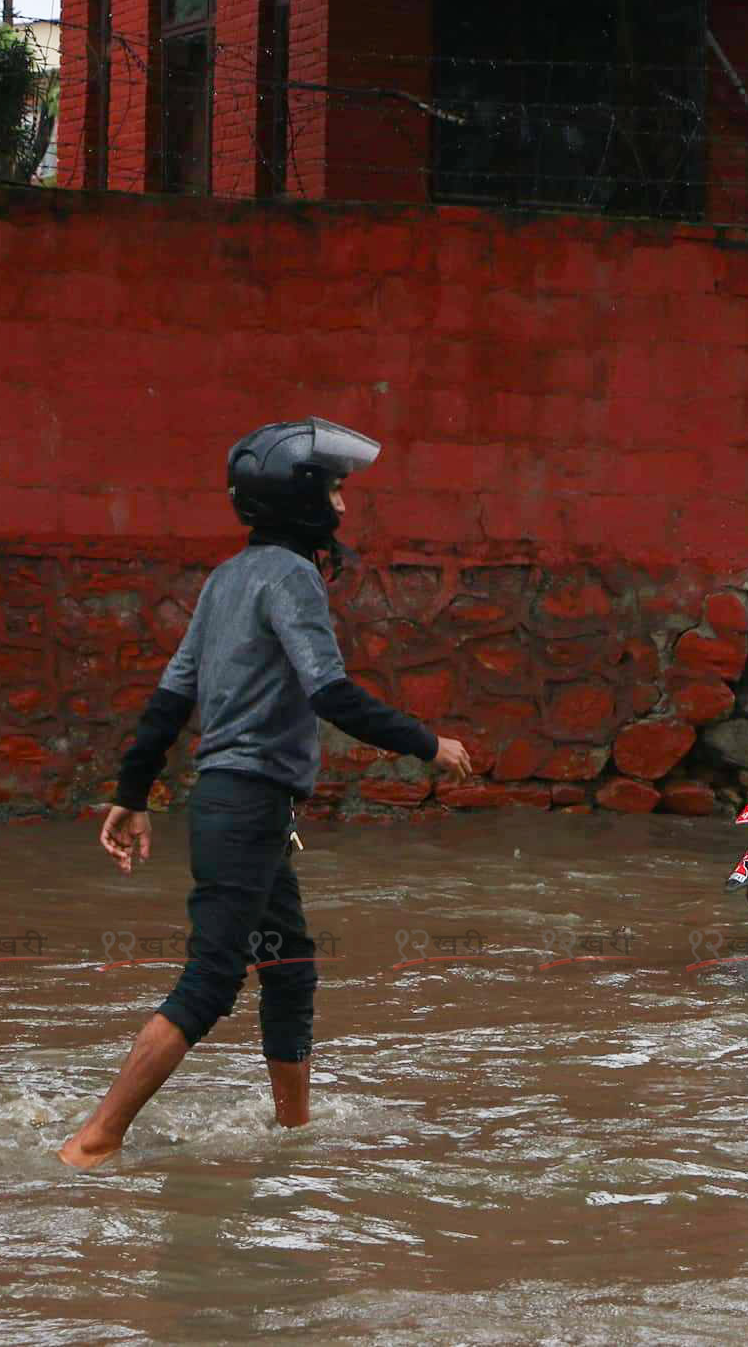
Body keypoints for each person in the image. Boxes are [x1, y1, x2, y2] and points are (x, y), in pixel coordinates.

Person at [58, 418, 471, 1170]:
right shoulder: (290, 576)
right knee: (212, 979)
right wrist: (426, 743)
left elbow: (169, 697)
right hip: (248, 806)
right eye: (336, 490)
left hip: (243, 805)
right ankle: (96, 1138)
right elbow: (331, 691)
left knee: (288, 964)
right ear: (301, 500)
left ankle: (294, 1134)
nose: (344, 508)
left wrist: (131, 791)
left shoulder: (225, 579)